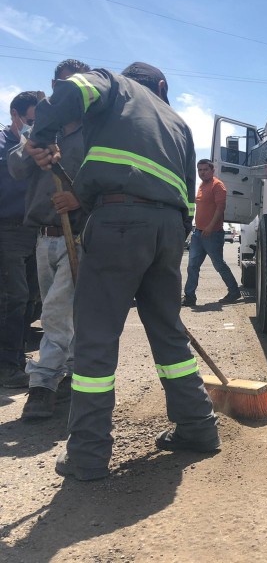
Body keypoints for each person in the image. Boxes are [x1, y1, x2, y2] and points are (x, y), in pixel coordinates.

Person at [29, 62, 219, 480]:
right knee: (169, 334)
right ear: (163, 87)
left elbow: (71, 89)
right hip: (168, 230)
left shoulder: (113, 84)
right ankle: (199, 428)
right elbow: (187, 194)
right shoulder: (179, 123)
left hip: (118, 221)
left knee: (96, 339)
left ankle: (88, 455)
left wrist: (39, 135)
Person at [7, 60, 91, 419]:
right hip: (44, 237)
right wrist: (28, 150)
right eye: (60, 85)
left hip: (79, 236)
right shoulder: (44, 129)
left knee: (56, 312)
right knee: (60, 312)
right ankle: (72, 375)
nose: (65, 91)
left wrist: (80, 197)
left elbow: (110, 178)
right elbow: (14, 167)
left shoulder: (95, 132)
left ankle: (41, 386)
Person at [0, 91, 41, 389]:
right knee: (11, 299)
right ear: (14, 116)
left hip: (32, 232)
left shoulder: (35, 146)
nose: (33, 128)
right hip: (7, 231)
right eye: (29, 121)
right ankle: (6, 366)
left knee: (28, 298)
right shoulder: (3, 144)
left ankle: (15, 357)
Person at [182, 159, 241, 306]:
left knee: (219, 264)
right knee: (192, 266)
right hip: (198, 233)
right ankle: (190, 297)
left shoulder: (217, 185)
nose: (202, 172)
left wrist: (210, 226)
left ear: (212, 170)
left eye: (205, 169)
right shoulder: (201, 185)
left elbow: (220, 208)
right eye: (200, 170)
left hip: (212, 233)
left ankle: (234, 292)